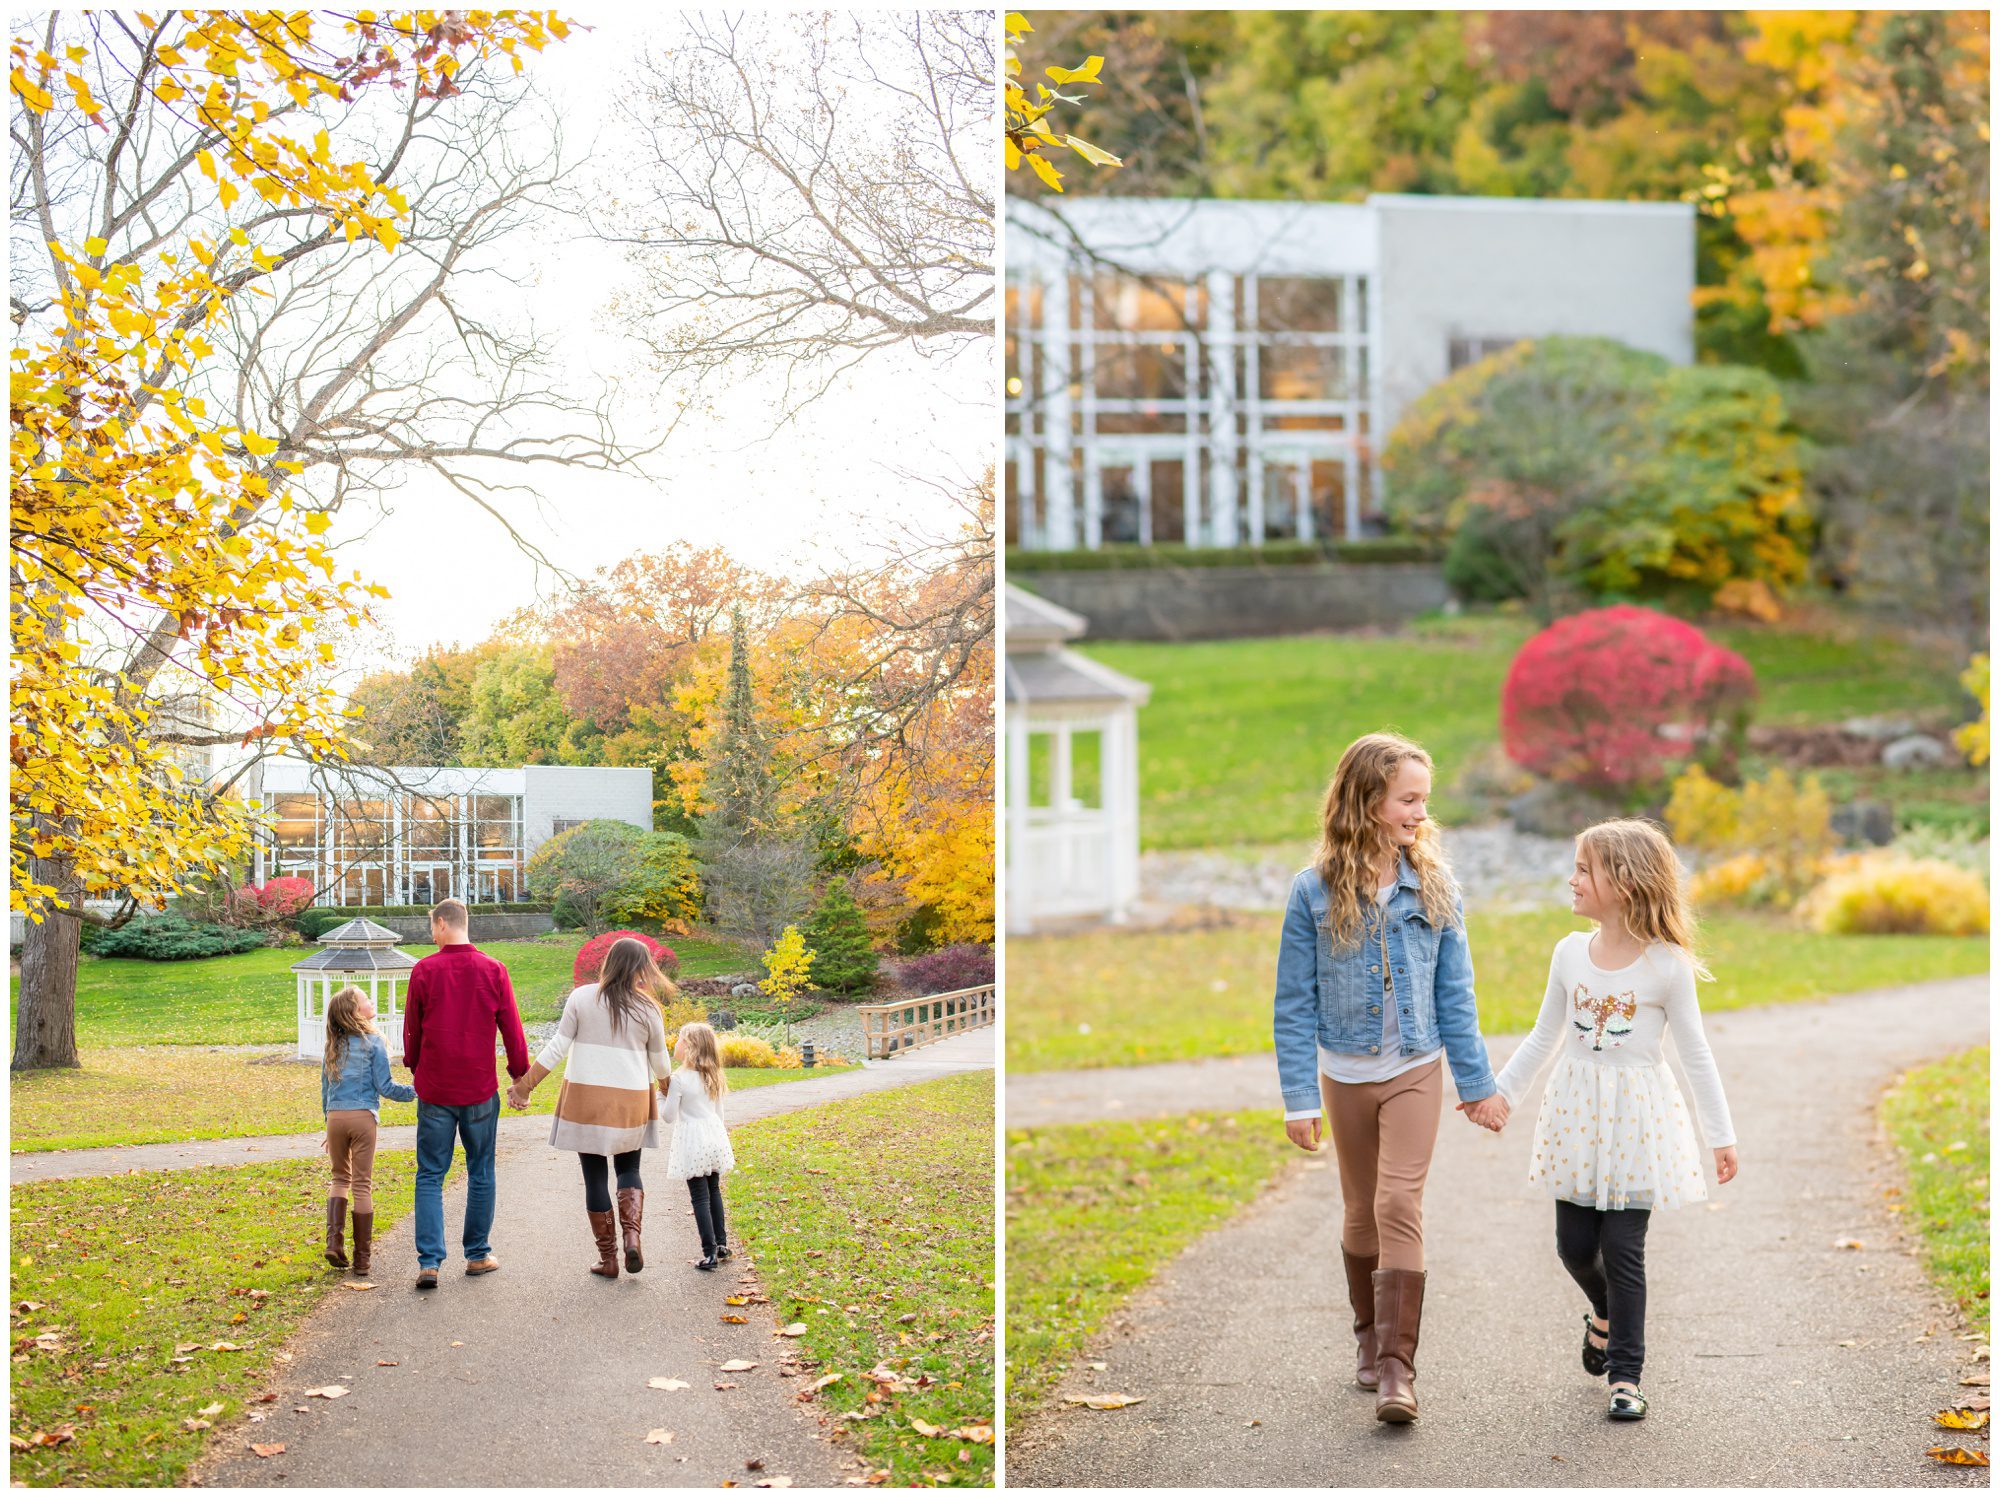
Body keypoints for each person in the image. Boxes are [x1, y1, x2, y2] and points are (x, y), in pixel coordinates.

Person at [1272, 731, 1503, 1424]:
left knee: (1398, 1205)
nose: (1419, 813)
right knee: (1359, 1211)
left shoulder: (1435, 887)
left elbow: (1456, 995)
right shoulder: (1311, 893)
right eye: (1408, 799)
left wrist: (1477, 1083)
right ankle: (1369, 1342)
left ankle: (1400, 1371)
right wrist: (1299, 1097)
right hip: (1343, 1074)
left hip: (1414, 1069)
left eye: (1423, 800)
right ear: (1369, 799)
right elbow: (1293, 1002)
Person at [1483, 817, 1740, 1421]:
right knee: (1574, 1248)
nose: (1571, 880)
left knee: (1625, 1250)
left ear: (1622, 883)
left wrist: (1720, 1136)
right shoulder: (1569, 954)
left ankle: (1627, 1376)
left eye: (1582, 870)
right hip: (1576, 1118)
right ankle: (1603, 1312)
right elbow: (1544, 1035)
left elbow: (1696, 1052)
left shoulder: (1667, 965)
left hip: (1634, 1125)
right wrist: (1499, 1095)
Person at [507, 937, 674, 1278]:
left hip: (586, 1100)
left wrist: (524, 1085)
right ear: (641, 969)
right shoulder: (648, 1009)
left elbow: (557, 1046)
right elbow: (660, 1063)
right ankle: (632, 1239)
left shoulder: (582, 997)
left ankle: (609, 1259)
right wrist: (669, 1090)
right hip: (630, 1101)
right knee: (629, 1170)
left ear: (608, 963)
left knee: (594, 1177)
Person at [402, 898, 529, 1289]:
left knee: (430, 1174)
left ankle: (429, 1261)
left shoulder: (424, 970)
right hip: (477, 1089)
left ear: (442, 923)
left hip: (436, 1089)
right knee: (481, 1171)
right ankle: (476, 1254)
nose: (432, 934)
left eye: (432, 927)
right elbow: (512, 1028)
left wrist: (414, 1062)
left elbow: (412, 1029)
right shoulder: (493, 970)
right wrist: (518, 1075)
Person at [319, 985, 416, 1278]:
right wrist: (418, 1091)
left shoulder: (332, 1046)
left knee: (339, 1178)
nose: (371, 1002)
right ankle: (362, 1260)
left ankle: (334, 1242)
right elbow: (386, 1088)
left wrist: (328, 1123)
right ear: (355, 1011)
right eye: (366, 1000)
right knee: (361, 1183)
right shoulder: (373, 1043)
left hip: (335, 1118)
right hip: (363, 1119)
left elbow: (325, 1091)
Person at [659, 1021, 736, 1270]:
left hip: (692, 1140)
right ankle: (721, 1244)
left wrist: (661, 1096)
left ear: (690, 1047)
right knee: (714, 1191)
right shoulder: (713, 1075)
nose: (676, 1043)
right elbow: (719, 1114)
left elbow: (669, 1116)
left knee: (699, 1197)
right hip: (714, 1136)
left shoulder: (679, 1079)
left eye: (680, 1039)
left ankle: (708, 1252)